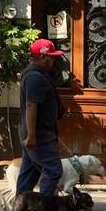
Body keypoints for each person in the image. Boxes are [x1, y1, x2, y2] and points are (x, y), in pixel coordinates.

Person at [14, 38, 65, 198]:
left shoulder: (33, 74)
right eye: (52, 56)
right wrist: (32, 136)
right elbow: (31, 106)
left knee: (29, 173)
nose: (54, 60)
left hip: (36, 133)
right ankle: (44, 210)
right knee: (53, 170)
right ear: (43, 57)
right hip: (39, 134)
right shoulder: (35, 77)